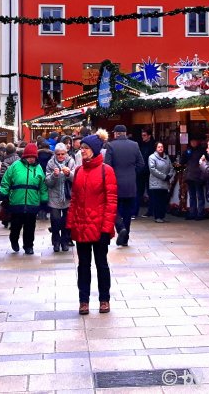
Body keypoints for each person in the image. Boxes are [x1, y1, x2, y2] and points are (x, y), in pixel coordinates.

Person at [68, 134, 117, 315]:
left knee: (101, 264)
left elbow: (111, 202)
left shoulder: (107, 171)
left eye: (86, 148)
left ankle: (104, 299)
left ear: (94, 150)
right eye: (81, 148)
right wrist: (70, 224)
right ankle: (83, 300)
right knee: (83, 265)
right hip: (81, 226)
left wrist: (106, 229)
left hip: (99, 227)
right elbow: (74, 200)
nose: (82, 151)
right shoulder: (79, 171)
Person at [0, 143, 48, 254]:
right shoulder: (15, 166)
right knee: (16, 225)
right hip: (17, 201)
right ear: (24, 156)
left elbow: (43, 186)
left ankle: (28, 246)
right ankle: (14, 240)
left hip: (32, 202)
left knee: (30, 227)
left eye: (33, 157)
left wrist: (44, 200)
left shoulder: (39, 168)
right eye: (28, 156)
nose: (31, 159)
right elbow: (6, 180)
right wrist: (4, 194)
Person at [105, 124, 145, 246]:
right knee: (128, 212)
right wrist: (132, 173)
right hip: (130, 184)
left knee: (114, 209)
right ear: (126, 133)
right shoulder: (135, 145)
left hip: (116, 184)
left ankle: (120, 228)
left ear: (116, 134)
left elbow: (107, 166)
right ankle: (125, 238)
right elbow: (141, 164)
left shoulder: (111, 145)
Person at [45, 142, 77, 252]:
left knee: (66, 221)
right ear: (55, 154)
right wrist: (54, 176)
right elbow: (48, 182)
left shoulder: (71, 161)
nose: (60, 156)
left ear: (66, 153)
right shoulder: (50, 163)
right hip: (54, 196)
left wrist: (69, 174)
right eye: (58, 154)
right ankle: (56, 241)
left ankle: (64, 241)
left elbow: (76, 179)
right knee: (55, 220)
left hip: (68, 196)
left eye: (62, 154)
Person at [148, 142, 175, 223]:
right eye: (159, 147)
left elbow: (171, 167)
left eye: (162, 147)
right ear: (156, 148)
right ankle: (157, 217)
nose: (160, 148)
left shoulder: (166, 157)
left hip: (165, 183)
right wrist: (164, 176)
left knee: (163, 201)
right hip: (155, 183)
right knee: (157, 201)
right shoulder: (152, 157)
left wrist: (169, 175)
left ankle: (162, 216)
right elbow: (153, 170)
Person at [181, 138, 207, 220]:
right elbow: (182, 161)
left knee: (199, 195)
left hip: (198, 176)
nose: (193, 142)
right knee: (192, 196)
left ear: (198, 141)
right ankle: (193, 212)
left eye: (194, 141)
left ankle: (200, 213)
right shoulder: (188, 151)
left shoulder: (202, 151)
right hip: (190, 176)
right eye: (192, 141)